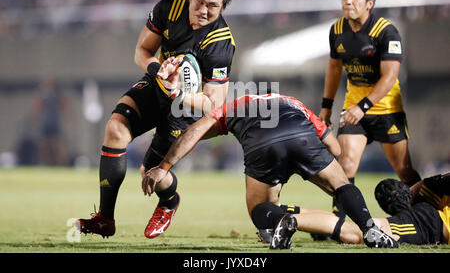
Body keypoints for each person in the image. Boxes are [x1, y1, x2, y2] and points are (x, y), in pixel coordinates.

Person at [76, 0, 235, 238]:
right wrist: (157, 71)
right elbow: (142, 51)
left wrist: (178, 94)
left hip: (187, 106)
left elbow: (212, 104)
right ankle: (105, 218)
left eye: (213, 6)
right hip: (158, 82)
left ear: (222, 7)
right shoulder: (168, 8)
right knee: (116, 129)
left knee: (151, 173)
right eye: (199, 1)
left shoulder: (221, 43)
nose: (204, 11)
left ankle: (169, 201)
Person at [142, 93, 398, 249]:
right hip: (302, 134)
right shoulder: (294, 103)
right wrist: (310, 163)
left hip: (263, 145)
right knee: (340, 184)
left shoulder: (232, 107)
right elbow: (335, 148)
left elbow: (193, 132)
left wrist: (163, 167)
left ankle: (279, 221)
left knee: (258, 209)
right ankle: (369, 228)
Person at [318, 0, 421, 224]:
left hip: (386, 109)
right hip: (353, 108)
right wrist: (326, 107)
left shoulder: (386, 31)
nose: (348, 2)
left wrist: (363, 107)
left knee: (404, 170)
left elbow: (389, 77)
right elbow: (333, 69)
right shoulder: (337, 30)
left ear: (369, 3)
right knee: (347, 165)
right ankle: (339, 219)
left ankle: (425, 212)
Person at [268, 173, 449, 246]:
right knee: (363, 232)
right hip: (432, 225)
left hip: (433, 219)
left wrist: (408, 195)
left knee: (361, 229)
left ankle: (286, 213)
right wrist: (409, 195)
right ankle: (291, 220)